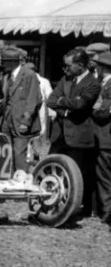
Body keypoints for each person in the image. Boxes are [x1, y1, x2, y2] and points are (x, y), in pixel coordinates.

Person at [47, 48, 100, 217]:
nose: (65, 69)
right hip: (59, 135)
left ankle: (78, 209)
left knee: (78, 175)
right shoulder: (66, 79)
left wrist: (63, 101)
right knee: (51, 168)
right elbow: (51, 100)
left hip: (79, 137)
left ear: (81, 65)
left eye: (68, 65)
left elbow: (81, 105)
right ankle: (51, 199)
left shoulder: (93, 83)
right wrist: (65, 109)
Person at [0, 46, 42, 173]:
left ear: (11, 62)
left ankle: (21, 183)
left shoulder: (29, 75)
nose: (2, 65)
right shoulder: (7, 77)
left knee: (19, 155)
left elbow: (34, 99)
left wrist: (25, 121)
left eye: (4, 62)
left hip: (21, 123)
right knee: (6, 154)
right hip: (7, 122)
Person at [90, 52, 111, 225]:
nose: (96, 67)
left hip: (105, 138)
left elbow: (103, 112)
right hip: (105, 137)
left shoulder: (108, 85)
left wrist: (92, 108)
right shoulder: (104, 83)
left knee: (104, 176)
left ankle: (107, 212)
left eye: (98, 65)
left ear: (103, 67)